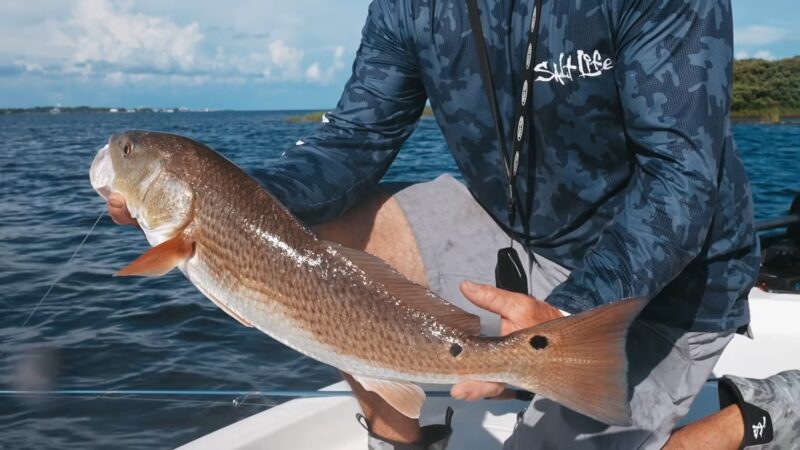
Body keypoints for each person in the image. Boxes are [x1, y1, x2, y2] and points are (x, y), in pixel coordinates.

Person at [107, 0, 799, 448]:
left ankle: (746, 419)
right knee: (326, 231)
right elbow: (352, 141)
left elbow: (682, 179)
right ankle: (399, 431)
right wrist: (224, 203)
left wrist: (564, 316)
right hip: (519, 234)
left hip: (675, 277)